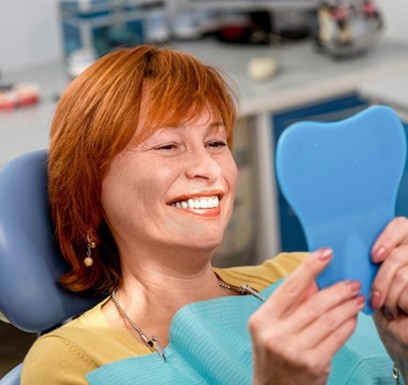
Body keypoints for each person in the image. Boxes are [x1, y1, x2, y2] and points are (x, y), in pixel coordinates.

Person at [20, 44, 408, 385]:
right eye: (168, 146)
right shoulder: (72, 363)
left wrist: (402, 351)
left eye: (216, 141)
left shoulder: (307, 275)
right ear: (91, 186)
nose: (209, 167)